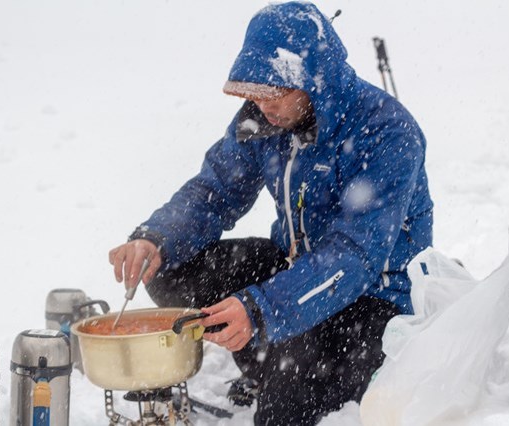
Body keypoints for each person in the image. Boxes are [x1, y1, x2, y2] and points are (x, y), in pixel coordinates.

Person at [109, 2, 433, 424]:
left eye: (275, 95)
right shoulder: (265, 121)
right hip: (295, 270)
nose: (263, 108)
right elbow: (215, 189)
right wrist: (155, 238)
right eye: (255, 95)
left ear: (315, 81)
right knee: (170, 268)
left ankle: (302, 370)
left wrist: (264, 309)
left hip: (369, 298)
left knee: (283, 412)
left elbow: (356, 256)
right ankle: (273, 356)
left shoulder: (387, 132)